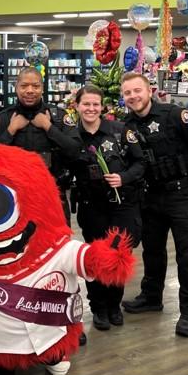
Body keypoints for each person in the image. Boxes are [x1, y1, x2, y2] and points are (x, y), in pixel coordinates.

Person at [120, 72, 188, 337]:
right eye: (127, 93)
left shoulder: (174, 115)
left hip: (185, 195)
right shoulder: (126, 126)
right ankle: (151, 297)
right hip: (150, 197)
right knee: (152, 251)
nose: (133, 97)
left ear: (149, 90)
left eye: (137, 90)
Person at [64, 85, 143, 330]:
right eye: (86, 104)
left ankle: (113, 304)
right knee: (96, 257)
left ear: (102, 107)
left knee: (118, 255)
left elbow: (140, 162)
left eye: (95, 104)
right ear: (76, 106)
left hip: (122, 205)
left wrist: (124, 178)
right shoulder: (71, 137)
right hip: (91, 207)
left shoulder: (120, 131)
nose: (90, 108)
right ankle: (98, 307)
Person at [0, 66, 80, 225]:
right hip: (15, 197)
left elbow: (75, 150)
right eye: (24, 86)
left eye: (35, 86)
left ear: (42, 88)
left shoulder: (58, 116)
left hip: (53, 194)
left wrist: (48, 127)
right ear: (16, 87)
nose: (30, 90)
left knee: (58, 245)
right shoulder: (4, 118)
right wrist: (11, 130)